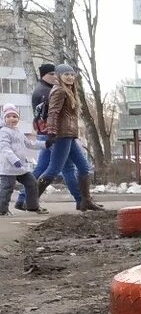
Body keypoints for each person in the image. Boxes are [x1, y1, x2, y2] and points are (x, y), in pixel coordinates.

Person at [35, 64, 103, 211]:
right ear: (59, 76)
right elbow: (52, 113)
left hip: (69, 136)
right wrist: (51, 132)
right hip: (61, 136)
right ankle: (31, 200)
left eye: (72, 75)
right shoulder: (59, 91)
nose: (70, 77)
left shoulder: (69, 91)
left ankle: (85, 201)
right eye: (66, 74)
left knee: (84, 168)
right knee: (53, 169)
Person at [17, 63, 80, 211]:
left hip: (46, 134)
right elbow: (49, 115)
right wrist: (52, 132)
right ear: (44, 75)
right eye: (52, 74)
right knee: (65, 169)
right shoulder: (45, 91)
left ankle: (23, 198)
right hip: (51, 135)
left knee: (43, 168)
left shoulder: (44, 89)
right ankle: (81, 200)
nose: (55, 76)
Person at [0, 104, 44, 215]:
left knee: (32, 182)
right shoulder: (4, 132)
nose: (12, 119)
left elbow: (30, 144)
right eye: (8, 116)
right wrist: (14, 160)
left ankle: (32, 207)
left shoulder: (18, 131)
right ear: (4, 118)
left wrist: (45, 144)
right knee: (7, 189)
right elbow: (5, 148)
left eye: (14, 116)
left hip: (21, 167)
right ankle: (2, 210)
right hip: (9, 167)